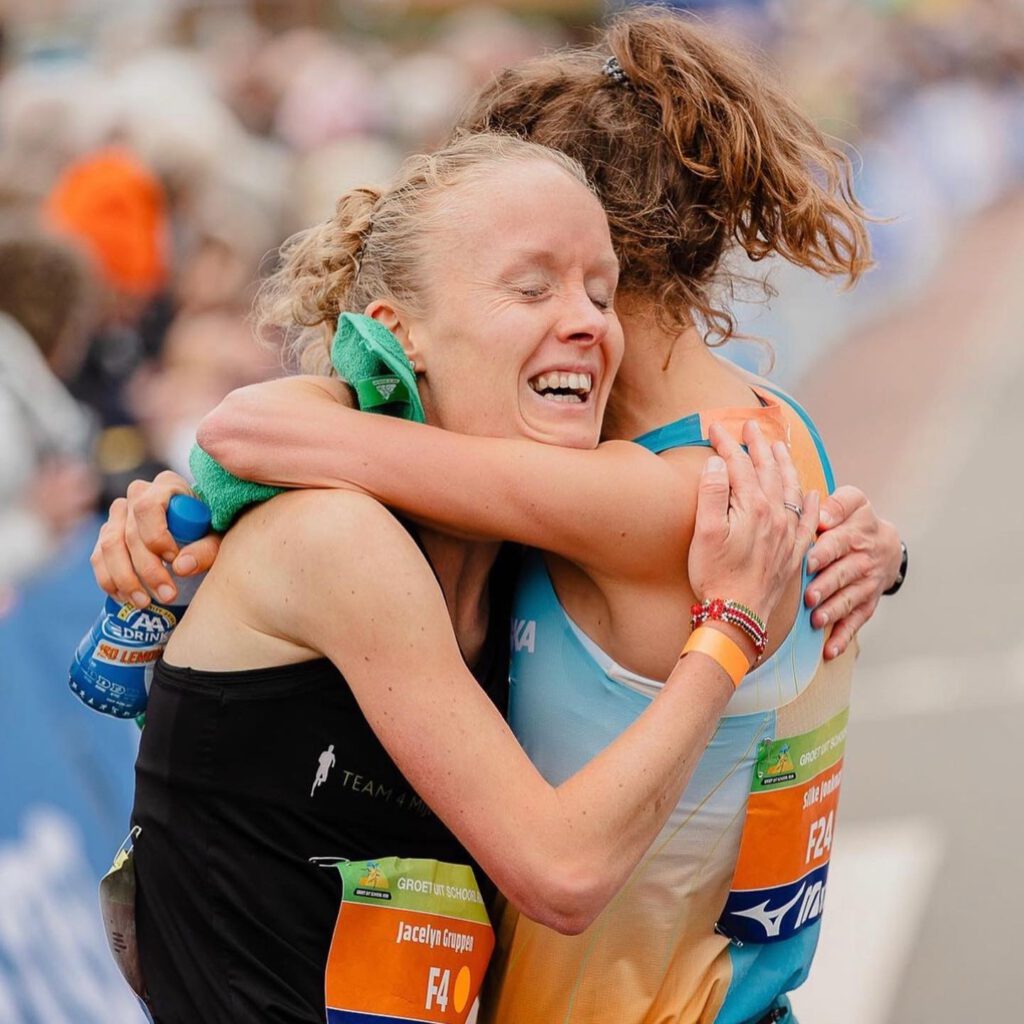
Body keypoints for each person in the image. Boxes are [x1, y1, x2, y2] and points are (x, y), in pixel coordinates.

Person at [94, 12, 906, 1022]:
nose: (577, 317)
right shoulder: (753, 442)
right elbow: (278, 442)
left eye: (592, 283)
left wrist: (217, 473)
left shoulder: (645, 492)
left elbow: (265, 430)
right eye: (530, 281)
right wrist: (191, 503)